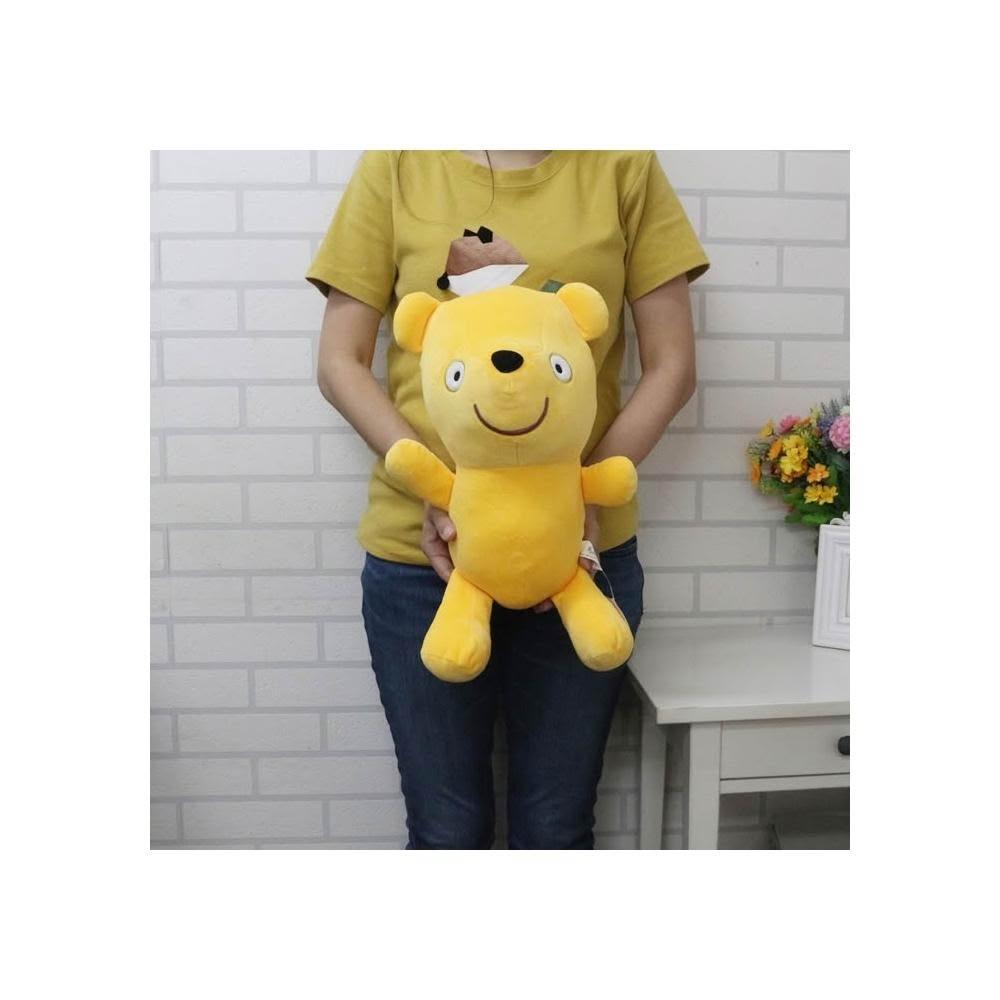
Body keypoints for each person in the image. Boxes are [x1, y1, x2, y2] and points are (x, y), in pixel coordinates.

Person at [308, 150, 709, 849]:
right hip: (421, 561)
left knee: (556, 827)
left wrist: (579, 497)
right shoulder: (398, 163)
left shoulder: (623, 165)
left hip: (578, 558)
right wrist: (436, 494)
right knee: (446, 830)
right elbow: (340, 362)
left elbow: (672, 365)